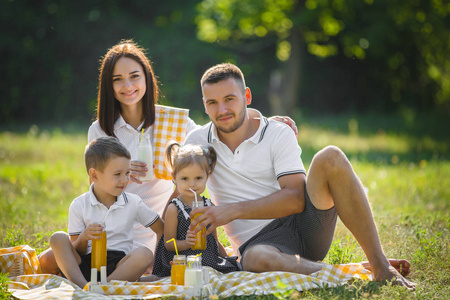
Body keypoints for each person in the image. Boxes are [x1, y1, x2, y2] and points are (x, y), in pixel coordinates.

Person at [38, 39, 297, 274]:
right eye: (118, 79)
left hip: (156, 229)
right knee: (48, 260)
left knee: (131, 261)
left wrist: (262, 121)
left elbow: (216, 133)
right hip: (111, 227)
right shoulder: (100, 129)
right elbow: (96, 188)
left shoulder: (173, 121)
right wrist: (122, 178)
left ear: (147, 79)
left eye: (134, 76)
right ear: (108, 85)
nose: (127, 86)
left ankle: (103, 280)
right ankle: (92, 279)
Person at [184, 63, 416, 289]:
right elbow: (181, 192)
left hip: (307, 226)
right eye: (213, 102)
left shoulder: (277, 132)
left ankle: (380, 264)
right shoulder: (197, 141)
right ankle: (346, 271)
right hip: (259, 244)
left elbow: (296, 199)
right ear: (204, 105)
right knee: (255, 259)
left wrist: (231, 210)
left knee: (331, 156)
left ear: (247, 96)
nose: (222, 110)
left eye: (229, 99)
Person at [49, 136, 164, 288]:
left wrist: (159, 267)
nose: (124, 180)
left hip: (118, 267)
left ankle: (104, 287)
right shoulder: (79, 204)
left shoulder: (133, 202)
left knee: (144, 254)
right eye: (117, 174)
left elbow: (162, 229)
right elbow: (76, 251)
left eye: (127, 172)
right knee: (57, 238)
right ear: (94, 175)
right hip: (84, 266)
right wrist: (84, 238)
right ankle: (84, 286)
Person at [150, 142, 240, 278]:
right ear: (174, 178)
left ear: (207, 177)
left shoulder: (209, 206)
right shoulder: (175, 208)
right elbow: (168, 243)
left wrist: (226, 257)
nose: (192, 184)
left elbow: (213, 239)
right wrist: (186, 243)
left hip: (208, 260)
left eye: (198, 178)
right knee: (190, 276)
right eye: (185, 179)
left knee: (232, 270)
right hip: (183, 261)